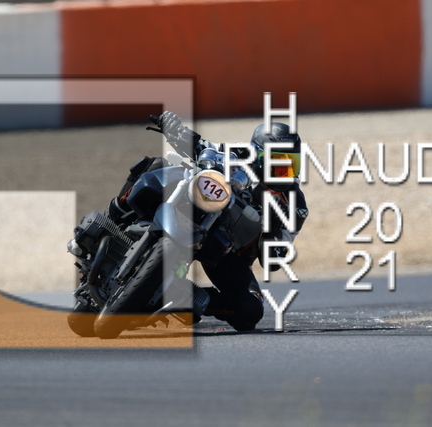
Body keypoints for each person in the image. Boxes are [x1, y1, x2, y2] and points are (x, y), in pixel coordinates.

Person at [105, 111, 309, 331]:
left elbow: (273, 261)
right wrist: (174, 130)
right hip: (197, 208)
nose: (283, 172)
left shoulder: (295, 206)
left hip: (226, 250)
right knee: (155, 165)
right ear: (257, 154)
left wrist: (274, 227)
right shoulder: (239, 153)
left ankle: (190, 297)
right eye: (276, 162)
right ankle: (110, 222)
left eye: (291, 164)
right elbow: (202, 146)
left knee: (250, 311)